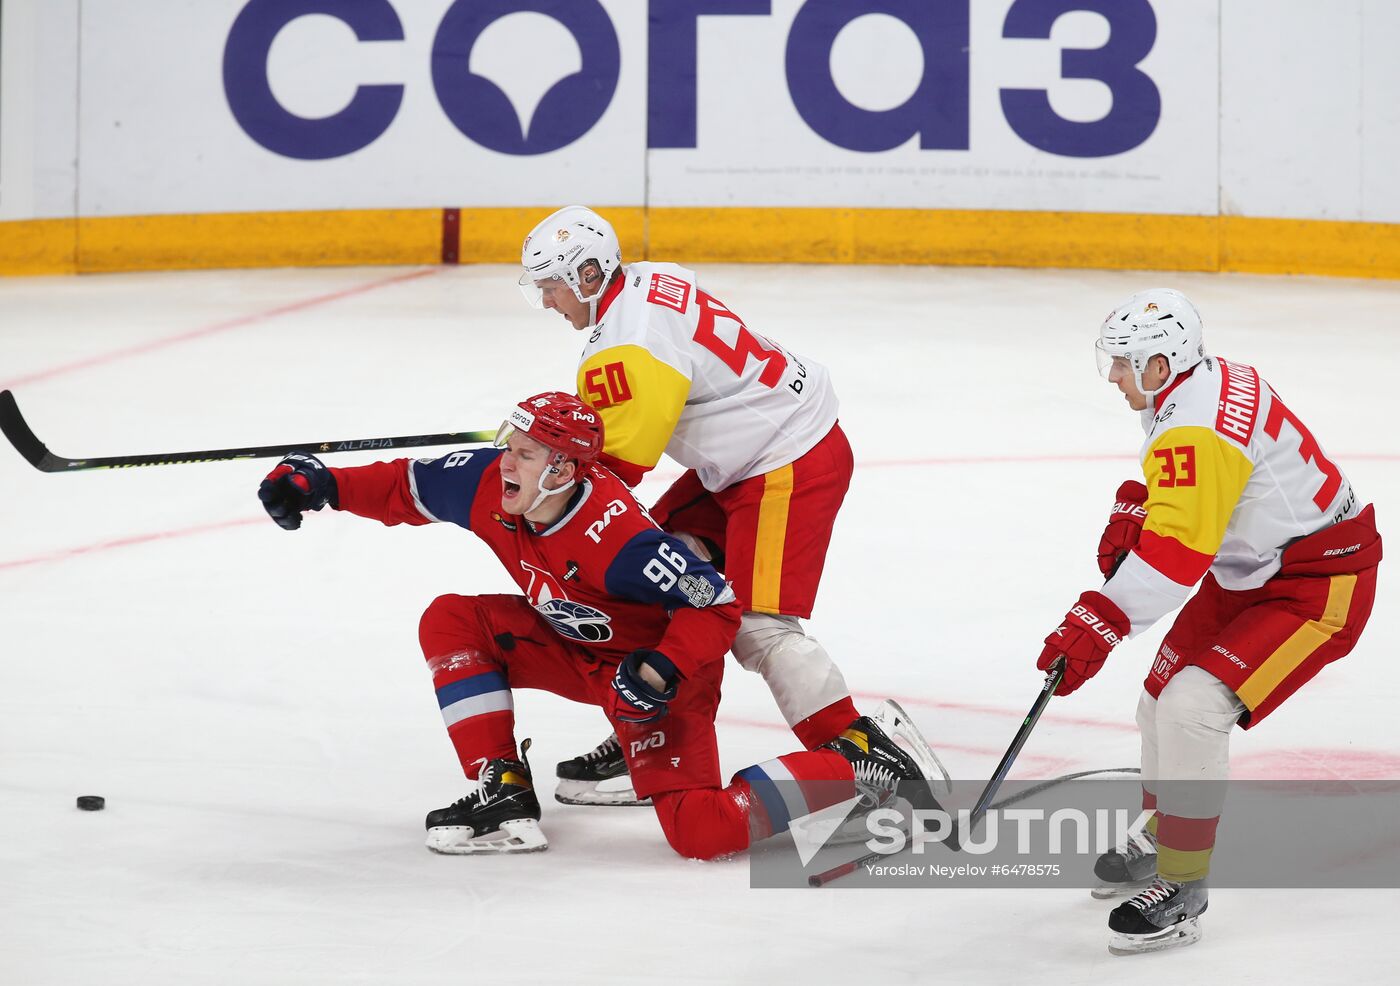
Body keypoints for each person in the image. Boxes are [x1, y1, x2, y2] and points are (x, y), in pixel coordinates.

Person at [257, 391, 942, 857]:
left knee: (698, 832)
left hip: (654, 679)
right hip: (572, 646)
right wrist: (322, 484)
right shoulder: (488, 482)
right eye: (510, 445)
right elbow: (404, 486)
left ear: (563, 470)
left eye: (525, 452)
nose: (506, 463)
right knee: (453, 621)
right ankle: (504, 794)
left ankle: (851, 765)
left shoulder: (620, 541)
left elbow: (718, 605)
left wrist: (663, 669)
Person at [1035, 289, 1382, 954]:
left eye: (1124, 363)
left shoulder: (1195, 426)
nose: (1113, 376)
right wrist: (1143, 502)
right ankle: (1165, 832)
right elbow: (1220, 481)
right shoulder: (1208, 378)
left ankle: (1183, 886)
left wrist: (1095, 625)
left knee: (1193, 707)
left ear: (1163, 364)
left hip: (1318, 585)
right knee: (1158, 699)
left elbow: (1174, 560)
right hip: (1255, 568)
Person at [519, 205, 862, 806]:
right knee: (665, 576)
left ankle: (863, 756)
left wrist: (533, 456)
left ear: (589, 276)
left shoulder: (625, 348)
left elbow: (612, 475)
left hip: (788, 461)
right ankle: (656, 737)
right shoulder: (648, 276)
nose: (548, 302)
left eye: (551, 286)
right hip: (747, 455)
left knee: (759, 627)